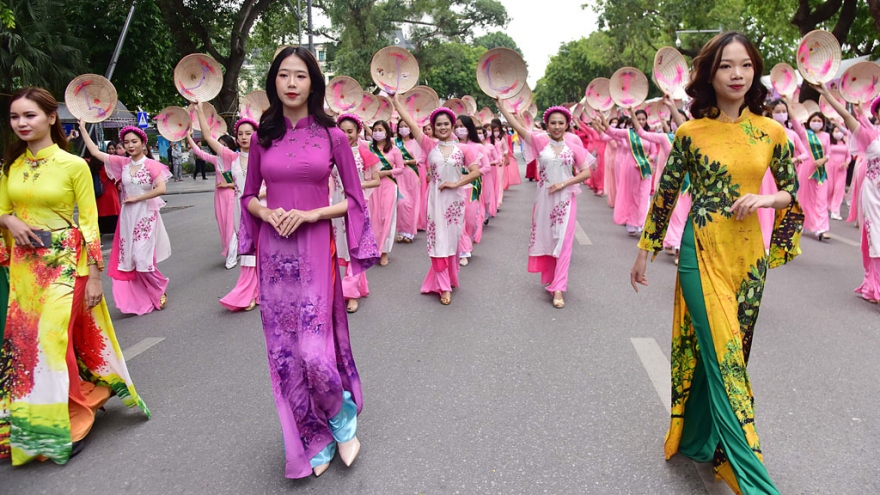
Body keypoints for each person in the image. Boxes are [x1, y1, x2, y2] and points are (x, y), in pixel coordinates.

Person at [630, 32, 803, 495]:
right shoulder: (690, 133)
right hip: (700, 251)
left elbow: (792, 191)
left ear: (755, 72)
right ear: (710, 74)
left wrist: (766, 198)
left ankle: (697, 439)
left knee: (730, 354)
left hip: (748, 261)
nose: (737, 74)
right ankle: (752, 478)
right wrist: (645, 250)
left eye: (745, 65)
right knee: (726, 359)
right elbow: (666, 193)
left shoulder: (772, 132)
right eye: (726, 66)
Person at [239, 46, 379, 478]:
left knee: (314, 351)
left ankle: (341, 416)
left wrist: (312, 214)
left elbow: (355, 199)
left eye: (300, 75)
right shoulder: (262, 137)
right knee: (285, 353)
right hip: (274, 254)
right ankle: (312, 436)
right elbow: (248, 196)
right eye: (284, 75)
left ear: (313, 83)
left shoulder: (332, 136)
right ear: (274, 82)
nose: (292, 83)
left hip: (315, 248)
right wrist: (266, 213)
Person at [1, 87, 149, 465]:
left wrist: (95, 277)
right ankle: (43, 416)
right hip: (24, 269)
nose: (21, 123)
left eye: (30, 115)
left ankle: (69, 419)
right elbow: (2, 210)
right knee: (28, 346)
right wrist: (8, 219)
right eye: (15, 117)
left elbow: (89, 223)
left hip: (67, 264)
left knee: (52, 342)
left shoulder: (73, 165)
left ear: (51, 118)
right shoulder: (11, 167)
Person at [498, 103, 593, 309]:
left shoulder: (573, 146)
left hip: (565, 200)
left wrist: (564, 183)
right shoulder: (540, 142)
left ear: (567, 124)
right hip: (544, 200)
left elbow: (586, 172)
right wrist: (501, 106)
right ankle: (551, 276)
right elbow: (517, 127)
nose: (557, 126)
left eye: (561, 123)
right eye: (553, 123)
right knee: (548, 239)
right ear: (547, 125)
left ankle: (559, 288)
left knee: (564, 242)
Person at [392, 101, 480, 305]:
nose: (442, 127)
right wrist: (395, 101)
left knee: (451, 242)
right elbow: (410, 122)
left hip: (455, 202)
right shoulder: (429, 145)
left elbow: (475, 172)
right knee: (437, 242)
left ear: (453, 125)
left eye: (446, 124)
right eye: (438, 124)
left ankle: (450, 277)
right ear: (433, 127)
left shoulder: (463, 148)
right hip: (434, 201)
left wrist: (456, 183)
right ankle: (443, 286)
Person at [79, 121, 172, 315]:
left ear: (143, 143)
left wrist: (137, 198)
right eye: (126, 142)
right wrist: (82, 129)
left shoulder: (152, 165)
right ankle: (145, 293)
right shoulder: (123, 163)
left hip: (146, 216)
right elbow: (95, 152)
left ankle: (159, 286)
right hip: (128, 218)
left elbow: (161, 189)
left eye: (134, 141)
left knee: (142, 258)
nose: (130, 145)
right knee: (131, 260)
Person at [817, 87, 880, 303]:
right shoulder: (868, 135)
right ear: (877, 114)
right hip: (874, 195)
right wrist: (827, 93)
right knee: (877, 239)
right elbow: (845, 116)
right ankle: (876, 287)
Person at [209, 116, 261, 311]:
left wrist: (254, 195)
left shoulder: (264, 156)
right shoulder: (233, 158)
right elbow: (208, 138)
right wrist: (199, 110)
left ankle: (256, 291)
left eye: (248, 133)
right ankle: (250, 291)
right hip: (241, 211)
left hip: (261, 208)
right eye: (240, 134)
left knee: (261, 251)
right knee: (248, 250)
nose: (244, 137)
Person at [334, 113, 381, 314]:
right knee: (342, 247)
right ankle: (356, 286)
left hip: (356, 205)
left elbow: (376, 180)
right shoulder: (332, 153)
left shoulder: (364, 154)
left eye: (350, 131)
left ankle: (351, 293)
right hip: (336, 204)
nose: (346, 135)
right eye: (342, 131)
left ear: (358, 131)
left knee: (356, 246)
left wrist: (358, 185)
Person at [187, 104, 242, 269]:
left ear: (230, 146)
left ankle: (231, 257)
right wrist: (188, 136)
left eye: (224, 145)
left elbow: (241, 181)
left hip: (231, 196)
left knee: (231, 225)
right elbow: (199, 152)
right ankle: (235, 250)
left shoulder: (234, 158)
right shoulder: (216, 160)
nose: (220, 148)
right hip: (219, 196)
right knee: (223, 225)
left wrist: (227, 184)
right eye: (219, 144)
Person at [601, 109, 657, 235]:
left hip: (645, 168)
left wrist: (648, 160)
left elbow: (654, 152)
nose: (641, 121)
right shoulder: (628, 133)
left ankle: (642, 222)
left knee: (644, 195)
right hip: (631, 168)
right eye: (638, 119)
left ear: (646, 120)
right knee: (631, 195)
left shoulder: (649, 135)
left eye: (643, 119)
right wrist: (603, 120)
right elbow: (611, 131)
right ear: (633, 119)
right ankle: (631, 223)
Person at [453, 115, 492, 265]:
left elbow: (487, 167)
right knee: (458, 218)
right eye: (456, 126)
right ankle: (463, 251)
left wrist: (472, 174)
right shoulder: (452, 145)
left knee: (470, 219)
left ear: (469, 127)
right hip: (455, 185)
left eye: (462, 126)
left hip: (472, 186)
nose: (459, 129)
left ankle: (467, 243)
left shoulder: (478, 146)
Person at [367, 120, 403, 266]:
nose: (377, 132)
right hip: (371, 187)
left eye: (380, 130)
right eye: (375, 130)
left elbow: (400, 168)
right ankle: (372, 249)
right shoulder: (368, 147)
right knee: (372, 218)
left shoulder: (394, 150)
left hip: (388, 185)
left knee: (386, 217)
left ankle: (384, 252)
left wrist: (386, 172)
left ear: (387, 132)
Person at [394, 120, 421, 243]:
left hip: (412, 174)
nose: (403, 128)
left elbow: (421, 159)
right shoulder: (395, 142)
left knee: (412, 203)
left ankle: (409, 232)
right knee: (401, 203)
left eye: (406, 126)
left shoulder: (416, 142)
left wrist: (407, 161)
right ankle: (401, 230)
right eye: (401, 126)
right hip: (399, 175)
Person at [826, 123, 851, 221]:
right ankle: (828, 207)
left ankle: (835, 211)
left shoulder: (846, 142)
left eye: (840, 131)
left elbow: (849, 156)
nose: (838, 133)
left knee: (839, 189)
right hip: (829, 167)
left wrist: (846, 163)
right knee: (829, 188)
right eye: (836, 131)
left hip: (841, 169)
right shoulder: (829, 142)